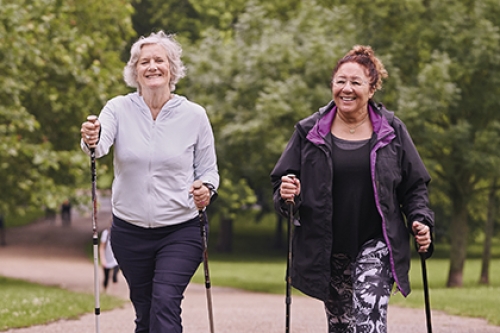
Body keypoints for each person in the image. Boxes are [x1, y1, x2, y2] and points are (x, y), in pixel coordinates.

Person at [270, 45, 434, 333]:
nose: (346, 89)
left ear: (372, 89)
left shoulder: (392, 130)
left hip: (377, 243)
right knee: (342, 326)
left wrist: (421, 219)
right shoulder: (309, 131)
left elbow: (415, 185)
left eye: (356, 82)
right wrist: (288, 194)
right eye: (340, 81)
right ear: (332, 85)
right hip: (329, 247)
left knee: (368, 322)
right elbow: (284, 182)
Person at [80, 31, 219, 333]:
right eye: (145, 61)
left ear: (172, 68)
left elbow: (209, 171)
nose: (152, 66)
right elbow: (99, 145)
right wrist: (91, 137)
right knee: (146, 312)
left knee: (165, 302)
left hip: (182, 229)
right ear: (135, 71)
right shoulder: (118, 108)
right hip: (130, 233)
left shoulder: (194, 115)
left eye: (160, 60)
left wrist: (205, 189)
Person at [99, 226, 120, 292]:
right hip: (107, 258)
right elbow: (101, 247)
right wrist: (103, 259)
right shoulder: (106, 234)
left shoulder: (119, 233)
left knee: (114, 276)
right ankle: (105, 290)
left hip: (116, 259)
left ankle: (115, 292)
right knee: (106, 277)